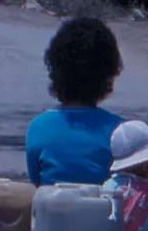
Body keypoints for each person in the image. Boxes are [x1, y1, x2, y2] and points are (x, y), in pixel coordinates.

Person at [25, 17, 124, 187]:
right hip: (103, 205)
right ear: (109, 72)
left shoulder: (38, 128)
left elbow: (37, 182)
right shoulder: (122, 133)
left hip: (51, 204)